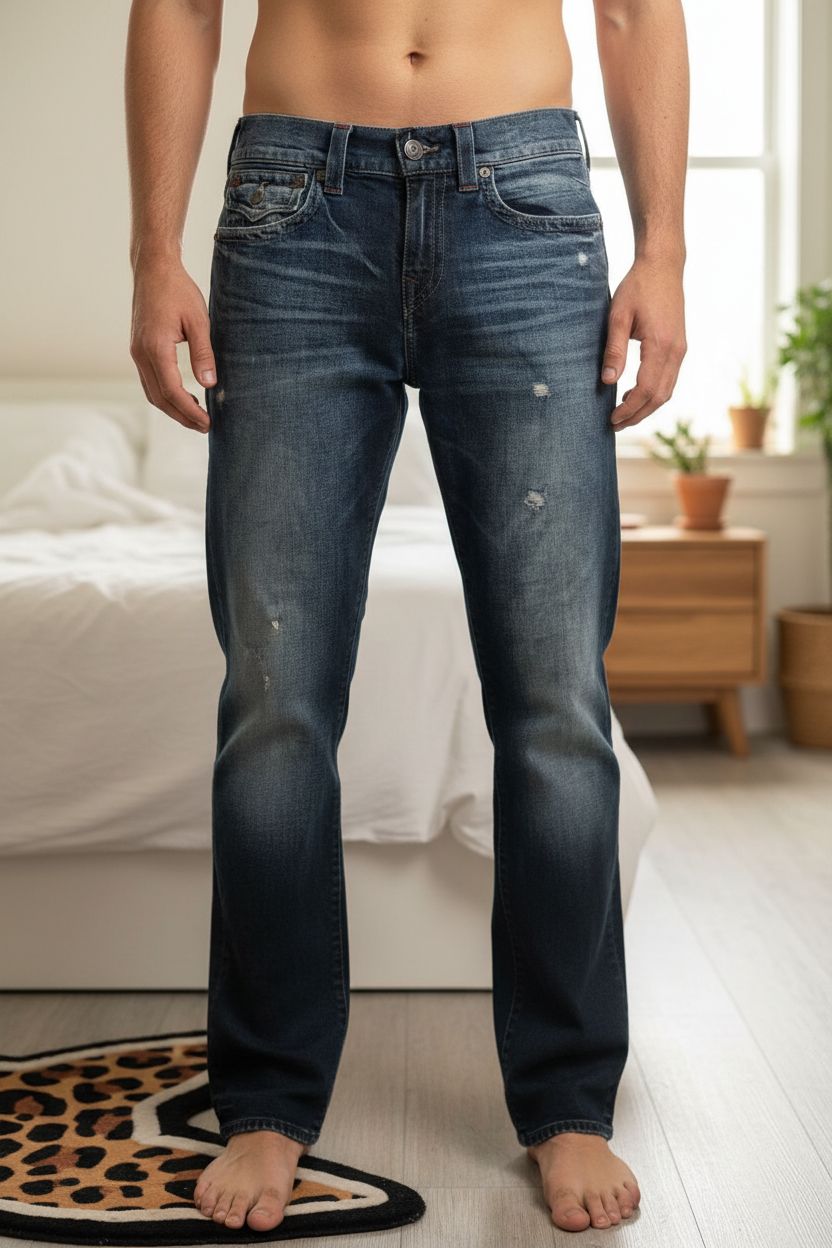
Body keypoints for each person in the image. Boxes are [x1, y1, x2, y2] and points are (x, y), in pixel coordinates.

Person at [126, 0, 688, 1233]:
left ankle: (567, 1101)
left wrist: (665, 252)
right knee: (274, 704)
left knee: (553, 702)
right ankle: (269, 1098)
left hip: (526, 202)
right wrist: (150, 252)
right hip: (292, 206)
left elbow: (639, 8)